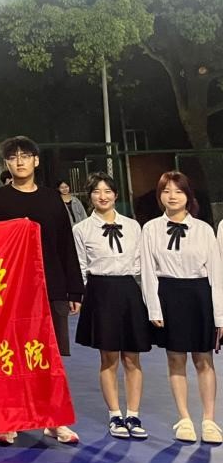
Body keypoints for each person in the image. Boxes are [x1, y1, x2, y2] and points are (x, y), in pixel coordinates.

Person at [0, 136, 84, 445]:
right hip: (10, 290)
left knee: (50, 356)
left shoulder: (52, 198)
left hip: (50, 286)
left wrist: (73, 289)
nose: (20, 161)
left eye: (25, 156)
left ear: (36, 161)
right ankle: (9, 419)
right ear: (7, 164)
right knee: (9, 356)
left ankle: (54, 420)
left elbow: (65, 244)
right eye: (13, 157)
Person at [140, 171, 223, 444]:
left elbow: (217, 274)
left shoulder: (204, 230)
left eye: (178, 191)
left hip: (200, 295)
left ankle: (209, 420)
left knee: (204, 359)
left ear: (188, 195)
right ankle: (184, 418)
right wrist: (154, 308)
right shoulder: (150, 229)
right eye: (166, 191)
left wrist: (220, 316)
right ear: (159, 196)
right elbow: (148, 271)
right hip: (168, 295)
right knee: (175, 359)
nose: (172, 196)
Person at [72, 172, 151, 440]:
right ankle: (115, 414)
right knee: (108, 357)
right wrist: (81, 296)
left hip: (129, 290)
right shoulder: (81, 229)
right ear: (90, 196)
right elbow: (81, 266)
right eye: (97, 191)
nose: (102, 196)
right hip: (100, 292)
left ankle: (134, 414)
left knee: (132, 357)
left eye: (107, 191)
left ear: (116, 195)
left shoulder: (133, 226)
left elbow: (141, 264)